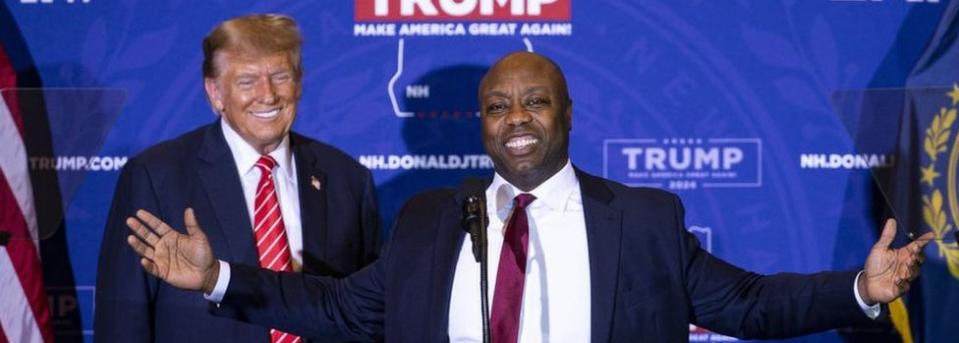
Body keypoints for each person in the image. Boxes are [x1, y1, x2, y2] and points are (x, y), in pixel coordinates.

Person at [121, 51, 933, 342]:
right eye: (498, 105)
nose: (516, 118)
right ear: (479, 123)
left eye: (534, 101)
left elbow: (749, 304)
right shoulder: (430, 220)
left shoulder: (644, 220)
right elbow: (340, 311)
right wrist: (222, 276)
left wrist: (859, 288)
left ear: (567, 114)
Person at [94, 14, 381, 343]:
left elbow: (367, 315)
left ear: (299, 82)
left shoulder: (348, 179)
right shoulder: (156, 176)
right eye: (247, 81)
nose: (268, 95)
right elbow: (123, 318)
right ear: (215, 93)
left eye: (280, 76)